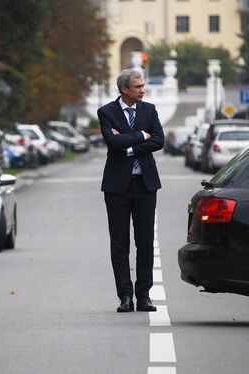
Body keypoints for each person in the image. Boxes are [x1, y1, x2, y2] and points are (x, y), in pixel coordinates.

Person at [97, 69, 165, 313]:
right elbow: (111, 142)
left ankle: (144, 296)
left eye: (143, 85)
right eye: (138, 86)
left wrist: (129, 145)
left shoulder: (149, 110)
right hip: (117, 188)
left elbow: (159, 140)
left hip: (145, 186)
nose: (142, 90)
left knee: (145, 243)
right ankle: (125, 297)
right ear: (124, 89)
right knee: (120, 244)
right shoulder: (106, 112)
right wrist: (140, 136)